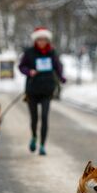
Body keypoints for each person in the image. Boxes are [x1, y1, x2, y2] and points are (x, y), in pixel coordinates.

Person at [19, 27, 66, 155]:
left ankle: (43, 145)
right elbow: (21, 66)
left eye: (44, 39)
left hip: (47, 90)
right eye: (39, 39)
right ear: (36, 40)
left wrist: (61, 77)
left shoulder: (52, 52)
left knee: (45, 117)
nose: (42, 42)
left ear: (47, 40)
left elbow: (58, 66)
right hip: (32, 90)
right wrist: (29, 71)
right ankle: (34, 136)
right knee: (34, 118)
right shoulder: (29, 52)